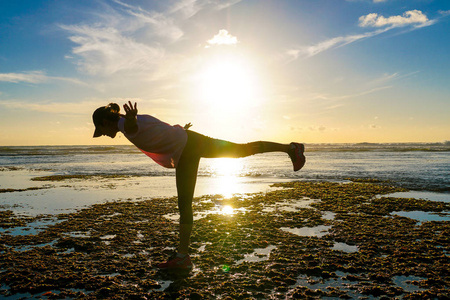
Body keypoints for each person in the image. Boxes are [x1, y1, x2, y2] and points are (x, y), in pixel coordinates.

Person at [92, 101, 305, 271]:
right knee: (241, 150)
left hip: (188, 149)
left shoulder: (125, 125)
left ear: (104, 121)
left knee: (185, 204)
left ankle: (183, 257)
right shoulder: (134, 122)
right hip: (189, 143)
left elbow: (133, 126)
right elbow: (159, 129)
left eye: (99, 129)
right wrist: (179, 131)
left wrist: (129, 119)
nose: (101, 134)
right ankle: (290, 148)